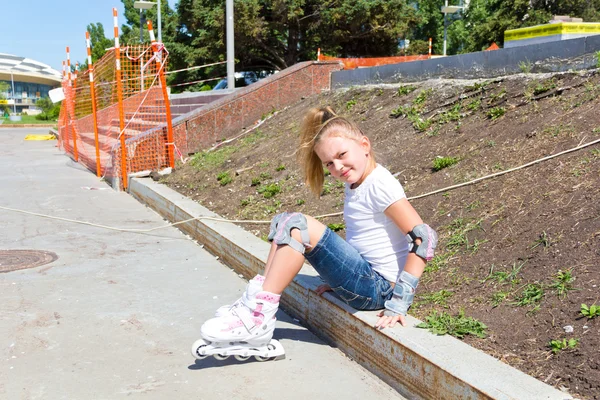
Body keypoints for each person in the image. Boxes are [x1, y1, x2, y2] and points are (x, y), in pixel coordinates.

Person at [194, 106, 437, 360]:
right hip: (365, 280)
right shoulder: (357, 181)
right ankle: (255, 302)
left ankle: (257, 317)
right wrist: (338, 279)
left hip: (380, 290)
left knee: (298, 226)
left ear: (365, 144)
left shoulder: (380, 183)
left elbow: (425, 238)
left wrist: (399, 302)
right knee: (283, 222)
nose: (338, 167)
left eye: (342, 155)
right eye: (329, 163)